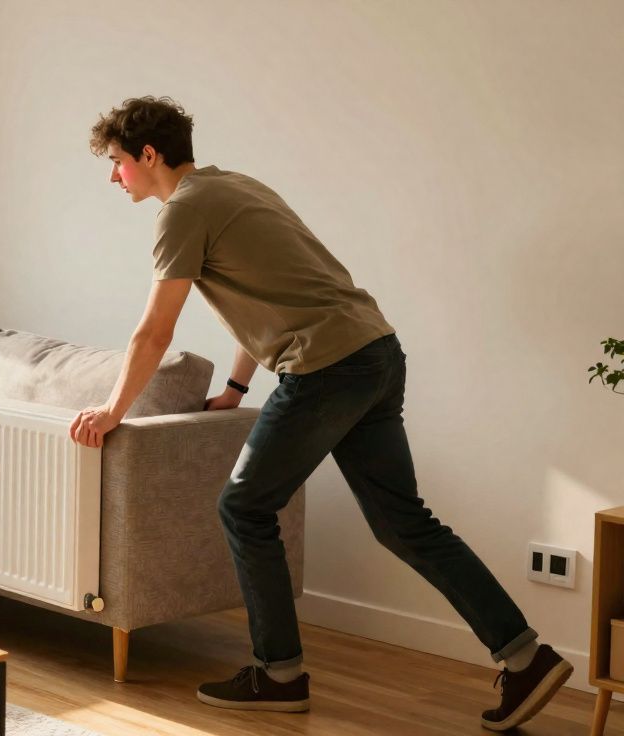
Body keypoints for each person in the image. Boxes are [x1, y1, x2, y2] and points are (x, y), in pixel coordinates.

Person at [68, 96, 571, 731]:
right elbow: (274, 296)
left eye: (116, 162)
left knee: (243, 507)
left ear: (148, 154)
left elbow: (153, 333)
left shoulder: (182, 212)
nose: (114, 176)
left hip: (327, 368)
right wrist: (235, 387)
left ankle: (279, 675)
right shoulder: (234, 186)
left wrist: (112, 410)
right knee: (403, 522)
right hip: (376, 353)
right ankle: (527, 656)